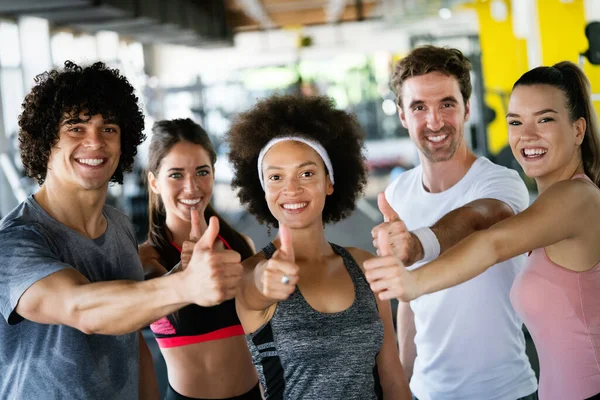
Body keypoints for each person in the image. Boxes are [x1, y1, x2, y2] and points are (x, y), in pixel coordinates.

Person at [0, 62, 242, 399]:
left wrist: (182, 274)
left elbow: (131, 343)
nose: (95, 141)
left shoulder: (118, 225)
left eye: (108, 128)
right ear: (45, 141)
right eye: (76, 127)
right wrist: (186, 284)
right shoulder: (13, 241)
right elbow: (81, 309)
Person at [367, 61, 600, 400]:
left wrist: (415, 276)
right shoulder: (556, 206)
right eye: (516, 122)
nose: (528, 134)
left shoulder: (575, 196)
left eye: (545, 119)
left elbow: (490, 238)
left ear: (578, 130)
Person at [227, 94, 411, 400]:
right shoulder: (253, 273)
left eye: (307, 173)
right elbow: (257, 288)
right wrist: (266, 281)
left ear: (329, 181)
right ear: (262, 188)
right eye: (276, 177)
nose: (291, 188)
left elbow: (391, 374)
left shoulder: (366, 267)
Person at [138, 118, 261, 399]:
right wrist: (182, 274)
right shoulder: (145, 258)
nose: (192, 187)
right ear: (154, 182)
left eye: (201, 172)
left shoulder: (241, 246)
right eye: (176, 175)